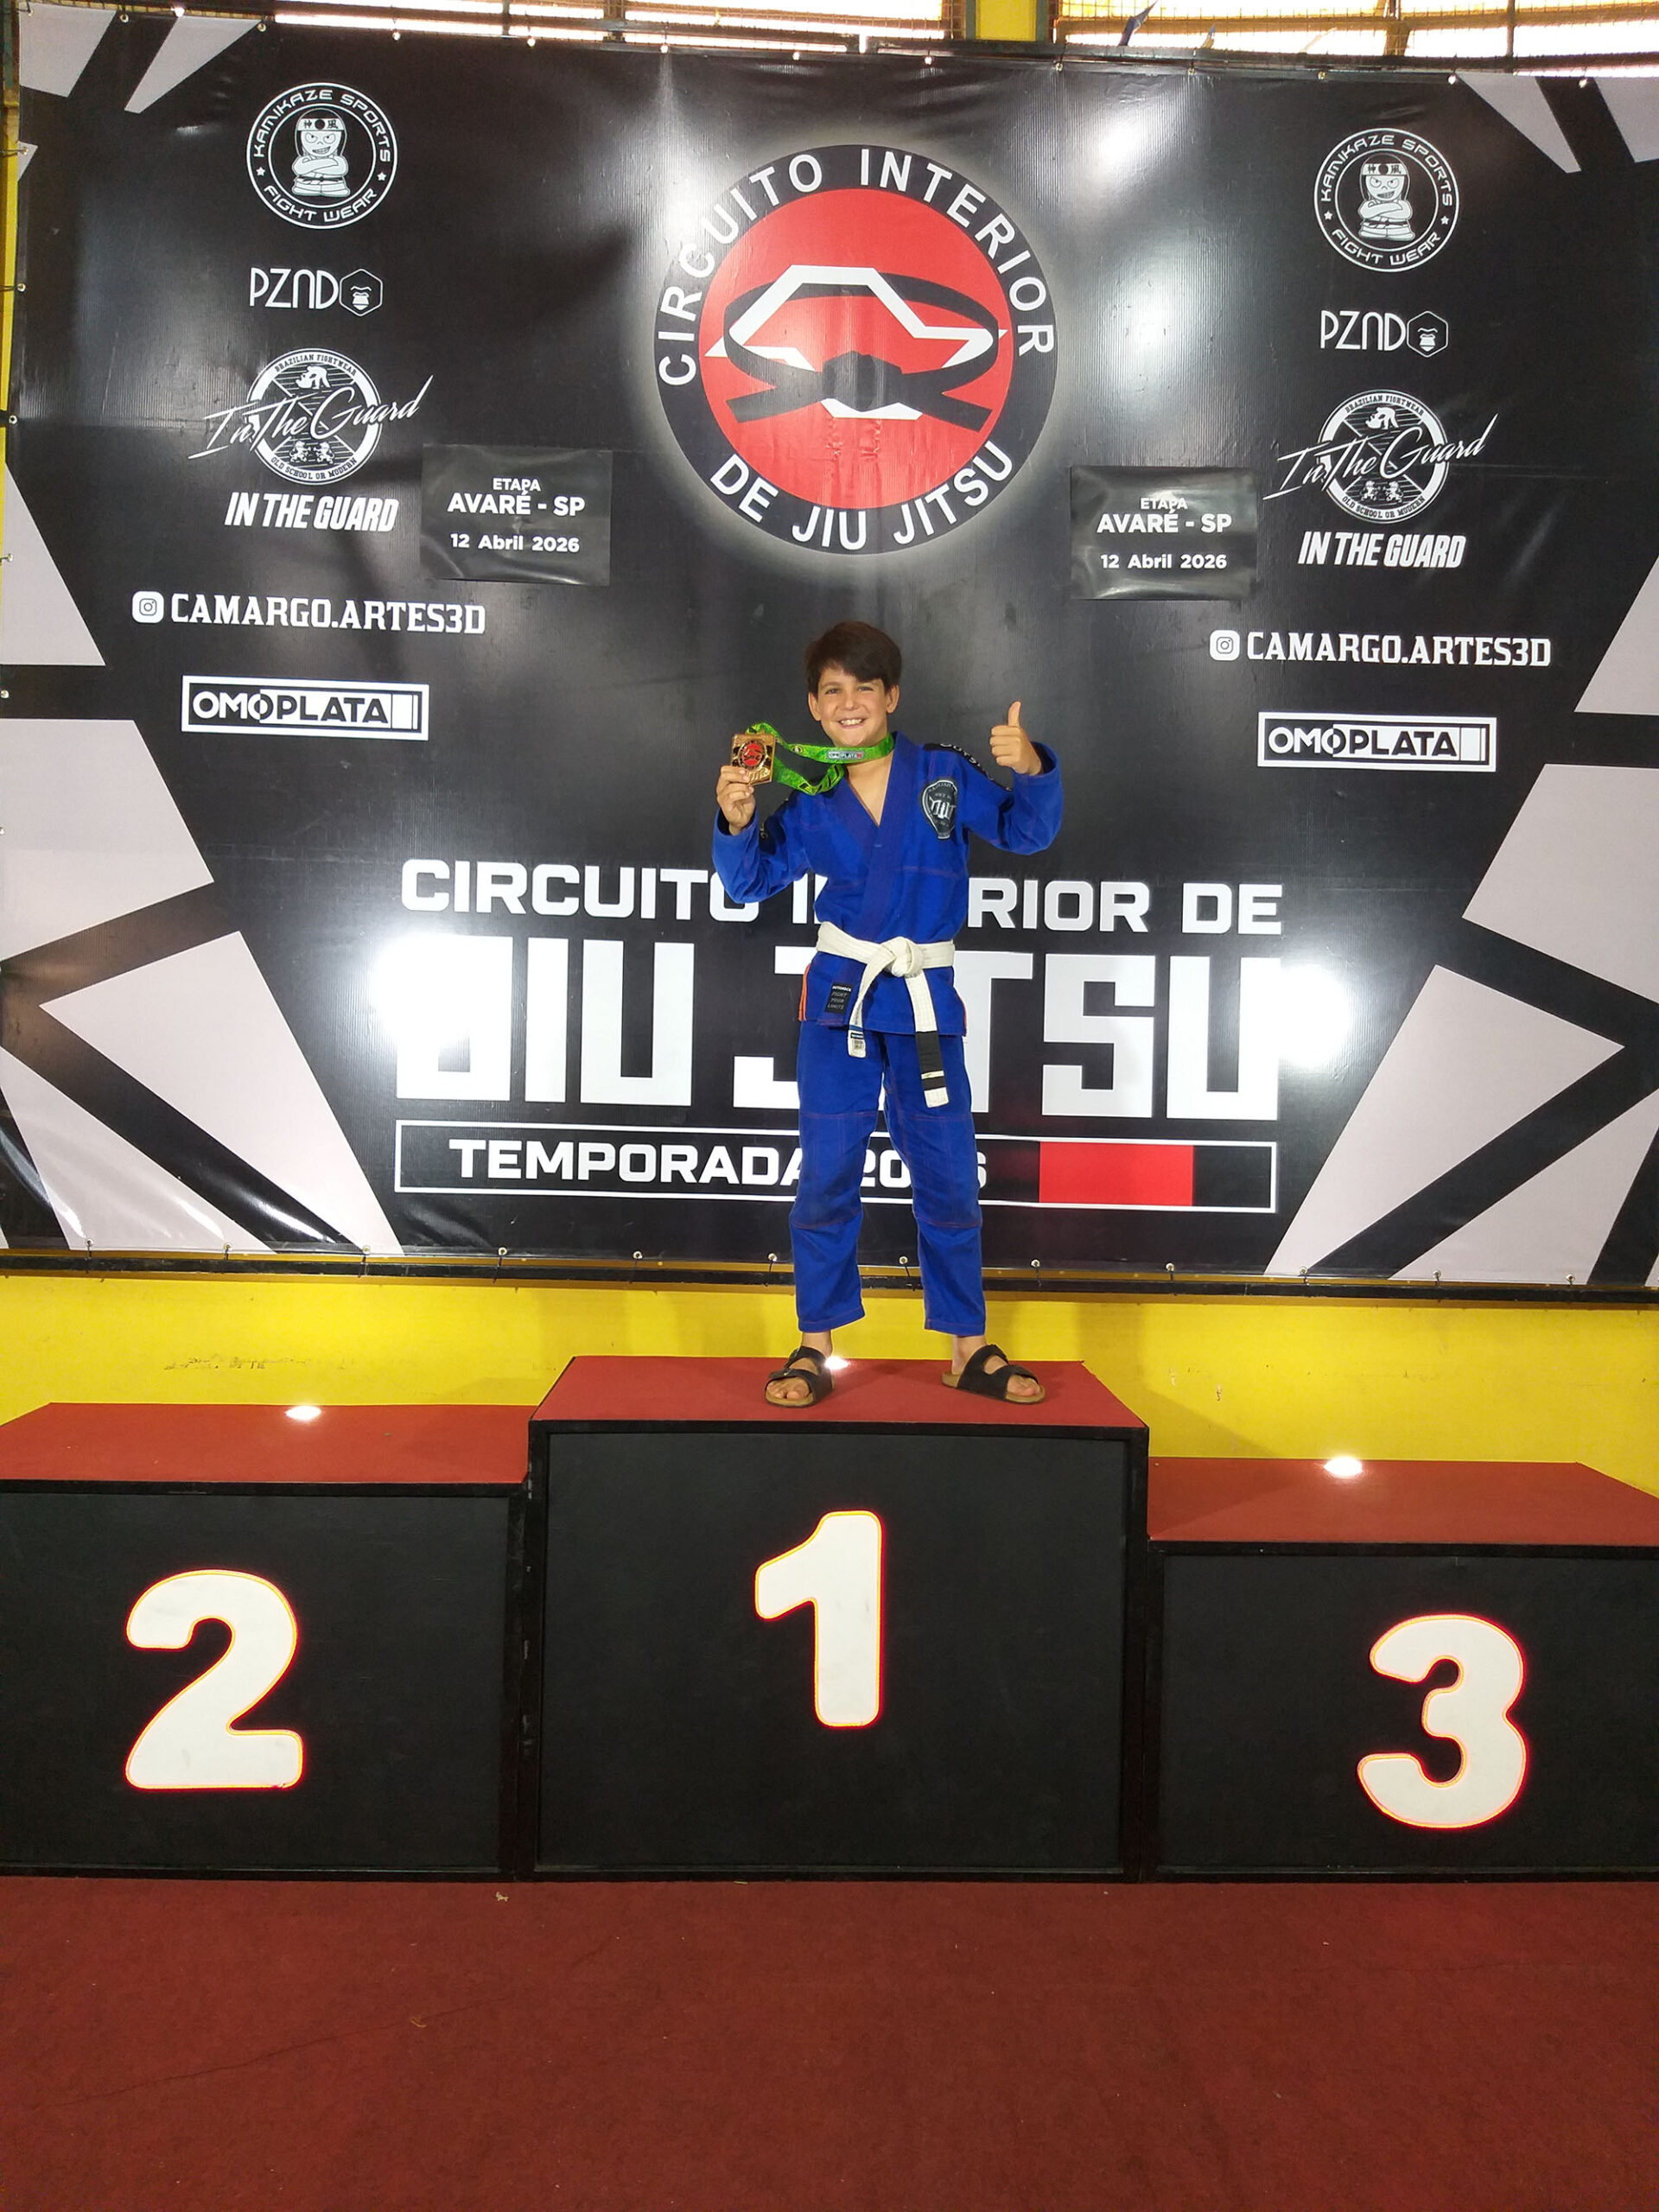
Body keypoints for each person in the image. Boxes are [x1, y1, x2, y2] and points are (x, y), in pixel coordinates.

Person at [712, 620, 1064, 1408]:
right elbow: (750, 882)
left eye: (864, 687)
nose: (849, 703)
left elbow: (1027, 830)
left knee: (951, 1177)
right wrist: (736, 822)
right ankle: (816, 1345)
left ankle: (968, 1347)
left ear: (891, 696)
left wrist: (1033, 768)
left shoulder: (942, 773)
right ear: (813, 705)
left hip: (925, 1002)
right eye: (832, 690)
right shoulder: (810, 794)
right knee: (827, 1176)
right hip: (839, 1004)